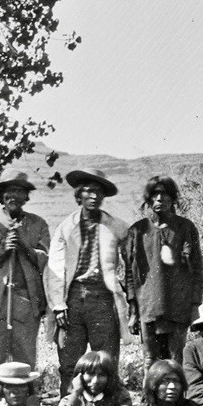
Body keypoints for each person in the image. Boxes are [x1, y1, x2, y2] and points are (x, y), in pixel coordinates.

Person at [45, 168, 129, 392]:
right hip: (73, 299)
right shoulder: (65, 227)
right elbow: (54, 267)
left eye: (98, 192)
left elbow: (132, 263)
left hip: (102, 298)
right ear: (79, 195)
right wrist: (59, 305)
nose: (93, 197)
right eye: (89, 191)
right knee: (70, 362)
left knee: (105, 360)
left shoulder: (116, 227)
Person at [0, 169, 52, 403]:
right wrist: (4, 250)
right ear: (2, 195)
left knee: (25, 357)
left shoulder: (38, 224)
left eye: (20, 191)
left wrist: (23, 246)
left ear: (26, 196)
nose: (14, 196)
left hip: (26, 300)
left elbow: (45, 259)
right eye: (10, 191)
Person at [122, 175, 203, 363]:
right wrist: (133, 311)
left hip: (178, 307)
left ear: (173, 198)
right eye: (155, 194)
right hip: (148, 308)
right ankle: (149, 393)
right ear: (149, 199)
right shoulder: (137, 231)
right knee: (150, 361)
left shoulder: (185, 228)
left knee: (175, 361)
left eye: (165, 194)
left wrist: (195, 305)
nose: (160, 199)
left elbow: (198, 270)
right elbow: (130, 274)